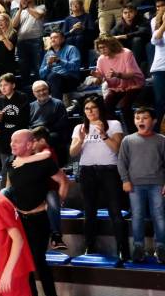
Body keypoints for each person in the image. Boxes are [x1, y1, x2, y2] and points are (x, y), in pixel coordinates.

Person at [3, 129, 68, 296]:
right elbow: (9, 187)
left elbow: (63, 181)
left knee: (38, 259)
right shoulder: (10, 162)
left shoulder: (43, 161)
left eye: (16, 141)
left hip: (39, 218)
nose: (12, 145)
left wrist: (56, 206)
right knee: (23, 260)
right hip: (20, 218)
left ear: (30, 145)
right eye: (11, 141)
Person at [69, 96, 129, 261]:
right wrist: (80, 140)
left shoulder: (113, 124)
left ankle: (123, 248)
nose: (90, 111)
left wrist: (103, 134)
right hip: (87, 171)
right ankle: (90, 246)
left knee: (115, 211)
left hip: (109, 171)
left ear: (100, 109)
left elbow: (117, 149)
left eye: (93, 107)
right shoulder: (79, 127)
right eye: (87, 108)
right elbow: (72, 153)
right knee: (89, 212)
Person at [118, 107, 165, 264]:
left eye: (145, 118)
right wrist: (125, 180)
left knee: (159, 216)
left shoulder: (161, 140)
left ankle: (161, 248)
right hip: (135, 185)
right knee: (137, 216)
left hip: (157, 184)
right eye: (138, 118)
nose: (140, 121)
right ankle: (138, 248)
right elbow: (121, 162)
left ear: (154, 121)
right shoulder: (128, 140)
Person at [91, 34, 145, 133]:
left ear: (111, 45)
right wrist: (97, 79)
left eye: (104, 47)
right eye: (99, 48)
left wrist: (117, 74)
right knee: (106, 106)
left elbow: (131, 74)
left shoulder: (126, 53)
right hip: (115, 87)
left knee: (124, 106)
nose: (102, 50)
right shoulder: (101, 59)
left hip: (134, 85)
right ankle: (117, 131)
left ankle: (133, 132)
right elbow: (100, 78)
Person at [0, 73, 30, 170]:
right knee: (6, 171)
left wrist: (4, 117)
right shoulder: (0, 100)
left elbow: (23, 120)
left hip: (20, 139)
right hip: (5, 139)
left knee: (21, 170)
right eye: (1, 86)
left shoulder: (22, 97)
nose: (3, 88)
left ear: (13, 85)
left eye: (5, 85)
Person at [12, 0, 45, 84]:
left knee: (38, 66)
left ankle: (40, 86)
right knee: (24, 67)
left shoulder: (40, 7)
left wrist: (26, 8)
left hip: (36, 40)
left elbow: (38, 16)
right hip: (21, 42)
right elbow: (14, 25)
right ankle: (27, 89)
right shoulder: (21, 11)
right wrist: (20, 10)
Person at [39, 30, 81, 99]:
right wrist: (48, 66)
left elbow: (75, 67)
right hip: (53, 80)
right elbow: (41, 74)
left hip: (70, 80)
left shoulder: (71, 49)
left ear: (63, 39)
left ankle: (57, 106)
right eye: (51, 38)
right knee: (35, 86)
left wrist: (59, 61)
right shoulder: (48, 54)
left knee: (53, 77)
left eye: (55, 37)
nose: (53, 39)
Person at [111, 4, 152, 74]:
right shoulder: (120, 24)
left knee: (137, 40)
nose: (128, 14)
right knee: (114, 42)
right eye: (125, 13)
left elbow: (143, 31)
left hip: (142, 45)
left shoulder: (141, 20)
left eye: (130, 12)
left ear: (135, 12)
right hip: (128, 46)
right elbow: (111, 35)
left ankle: (135, 69)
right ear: (122, 14)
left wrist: (126, 36)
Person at [62, 0, 97, 69]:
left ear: (81, 6)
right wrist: (73, 29)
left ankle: (81, 63)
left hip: (85, 38)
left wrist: (82, 28)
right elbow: (63, 35)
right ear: (70, 7)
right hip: (72, 40)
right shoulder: (68, 19)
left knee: (79, 38)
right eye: (73, 4)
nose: (74, 6)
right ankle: (72, 63)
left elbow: (92, 31)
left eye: (77, 4)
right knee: (69, 40)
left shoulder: (87, 16)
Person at [150, 0, 165, 128]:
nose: (160, 9)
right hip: (160, 67)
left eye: (162, 6)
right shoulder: (155, 21)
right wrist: (164, 24)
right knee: (160, 101)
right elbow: (156, 41)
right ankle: (159, 130)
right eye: (157, 6)